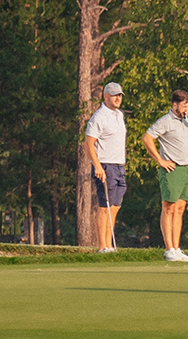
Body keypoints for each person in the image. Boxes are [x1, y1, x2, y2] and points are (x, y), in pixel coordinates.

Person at [141, 90, 188, 262]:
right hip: (171, 169)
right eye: (184, 106)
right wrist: (160, 160)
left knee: (180, 209)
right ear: (175, 104)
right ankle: (168, 248)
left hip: (187, 169)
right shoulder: (165, 121)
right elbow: (147, 138)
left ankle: (176, 249)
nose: (186, 109)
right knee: (168, 208)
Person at [83, 82, 128, 253]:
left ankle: (110, 245)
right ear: (105, 96)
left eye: (120, 95)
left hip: (119, 165)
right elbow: (89, 143)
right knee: (105, 207)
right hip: (105, 166)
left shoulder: (119, 115)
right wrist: (97, 166)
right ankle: (102, 246)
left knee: (115, 207)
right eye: (114, 95)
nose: (118, 98)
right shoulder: (99, 117)